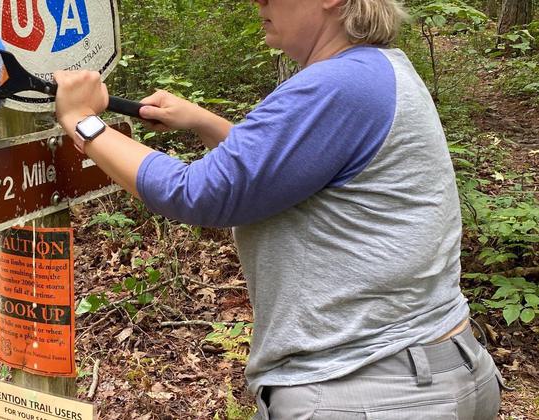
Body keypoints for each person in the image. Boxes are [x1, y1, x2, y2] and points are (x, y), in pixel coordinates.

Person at [53, 0, 503, 418]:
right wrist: (204, 122)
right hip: (440, 367)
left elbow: (199, 194)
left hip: (364, 387)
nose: (258, 1)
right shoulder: (379, 71)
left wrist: (83, 120)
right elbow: (275, 174)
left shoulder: (336, 85)